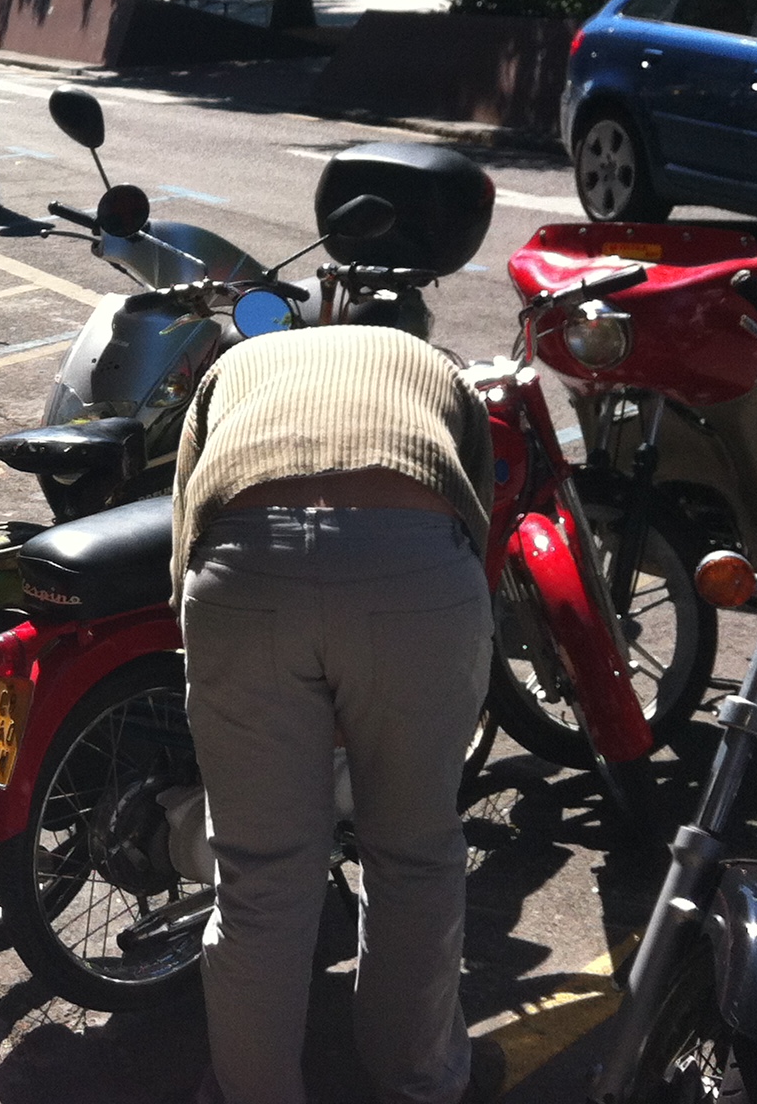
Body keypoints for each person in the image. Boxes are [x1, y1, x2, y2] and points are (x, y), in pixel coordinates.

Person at [169, 324, 498, 1104]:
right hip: (414, 569)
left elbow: (186, 528)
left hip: (243, 573)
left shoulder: (233, 368)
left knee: (260, 879)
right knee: (413, 854)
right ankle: (416, 1082)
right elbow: (472, 509)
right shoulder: (435, 369)